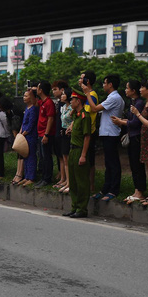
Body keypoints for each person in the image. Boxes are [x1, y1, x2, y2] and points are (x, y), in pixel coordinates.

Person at [82, 74, 124, 202]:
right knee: (108, 163)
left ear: (110, 84)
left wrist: (87, 93)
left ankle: (113, 190)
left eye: (105, 83)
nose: (103, 85)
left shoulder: (114, 98)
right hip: (107, 133)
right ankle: (106, 188)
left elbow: (94, 108)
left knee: (113, 163)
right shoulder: (112, 97)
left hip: (111, 133)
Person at [111, 80, 146, 204]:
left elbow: (136, 123)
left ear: (133, 90)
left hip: (136, 137)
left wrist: (121, 122)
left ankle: (140, 191)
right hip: (132, 136)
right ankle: (137, 190)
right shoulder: (133, 102)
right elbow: (131, 120)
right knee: (133, 164)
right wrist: (122, 120)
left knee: (137, 165)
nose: (125, 90)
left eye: (127, 88)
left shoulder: (140, 103)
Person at [62, 89, 91, 219]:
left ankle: (82, 209)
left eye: (72, 99)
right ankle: (74, 207)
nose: (71, 101)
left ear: (78, 101)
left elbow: (87, 137)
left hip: (80, 150)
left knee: (81, 182)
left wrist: (83, 155)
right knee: (73, 181)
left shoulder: (85, 116)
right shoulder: (77, 116)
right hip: (72, 149)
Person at [129, 79, 148, 208]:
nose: (140, 90)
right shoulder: (147, 103)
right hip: (145, 138)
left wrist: (137, 114)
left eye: (142, 87)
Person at [35, 81, 56, 188]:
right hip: (40, 133)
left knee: (46, 156)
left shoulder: (49, 103)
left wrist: (46, 134)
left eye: (38, 88)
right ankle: (43, 177)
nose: (36, 89)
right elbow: (33, 102)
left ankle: (47, 178)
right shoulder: (41, 102)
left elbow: (51, 118)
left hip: (45, 134)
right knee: (42, 157)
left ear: (41, 90)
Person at [18, 89, 39, 187]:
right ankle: (26, 176)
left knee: (31, 156)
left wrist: (24, 133)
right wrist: (20, 132)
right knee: (25, 155)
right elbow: (24, 123)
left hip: (30, 135)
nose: (24, 98)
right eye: (24, 96)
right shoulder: (27, 108)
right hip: (24, 135)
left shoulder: (34, 109)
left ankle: (31, 177)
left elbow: (31, 124)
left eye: (26, 96)